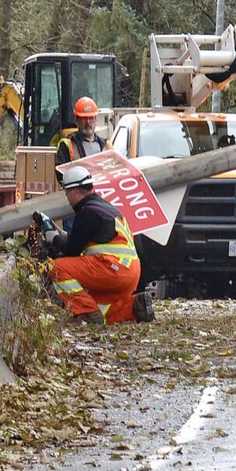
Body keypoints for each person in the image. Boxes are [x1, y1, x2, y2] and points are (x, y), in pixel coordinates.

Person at [36, 166, 154, 325]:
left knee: (57, 267)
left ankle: (87, 313)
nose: (67, 197)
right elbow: (82, 239)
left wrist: (54, 239)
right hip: (130, 272)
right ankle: (134, 306)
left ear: (75, 191)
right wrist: (60, 234)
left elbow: (72, 250)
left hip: (113, 269)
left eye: (67, 193)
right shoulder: (107, 208)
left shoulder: (87, 212)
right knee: (99, 306)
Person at [55, 96, 108, 185]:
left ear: (96, 120)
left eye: (91, 118)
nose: (88, 122)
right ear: (76, 120)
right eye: (84, 118)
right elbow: (60, 176)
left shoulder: (107, 146)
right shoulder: (67, 144)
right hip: (79, 196)